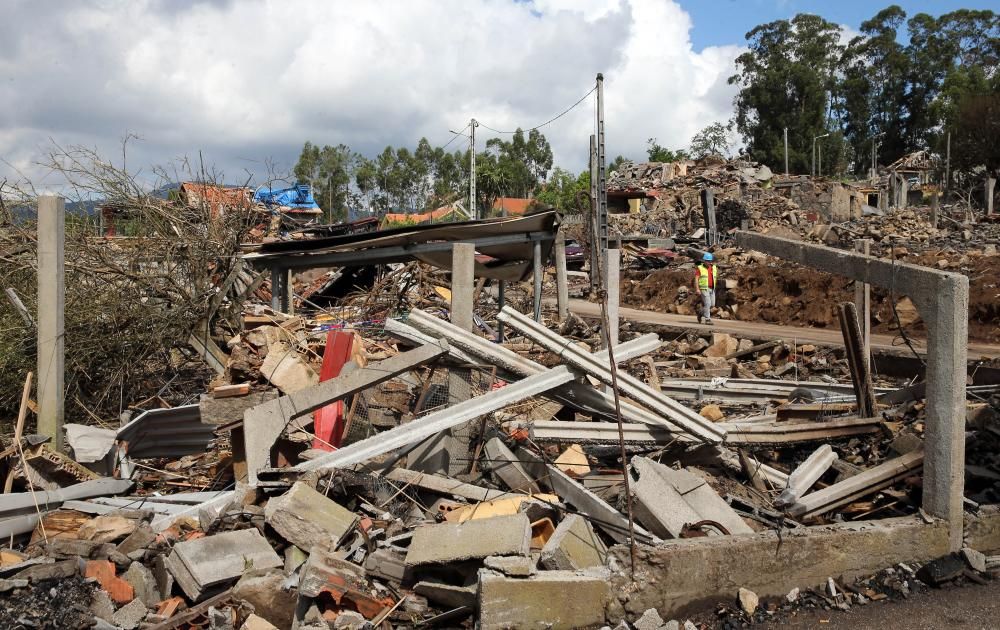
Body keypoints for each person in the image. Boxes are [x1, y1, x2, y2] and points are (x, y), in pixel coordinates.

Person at [694, 252, 718, 325]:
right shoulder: (700, 268)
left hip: (712, 288)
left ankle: (700, 313)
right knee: (707, 303)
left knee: (712, 304)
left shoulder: (713, 267)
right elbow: (696, 279)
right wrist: (697, 289)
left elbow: (714, 277)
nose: (708, 262)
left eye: (710, 261)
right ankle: (707, 319)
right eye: (707, 261)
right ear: (704, 260)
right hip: (704, 288)